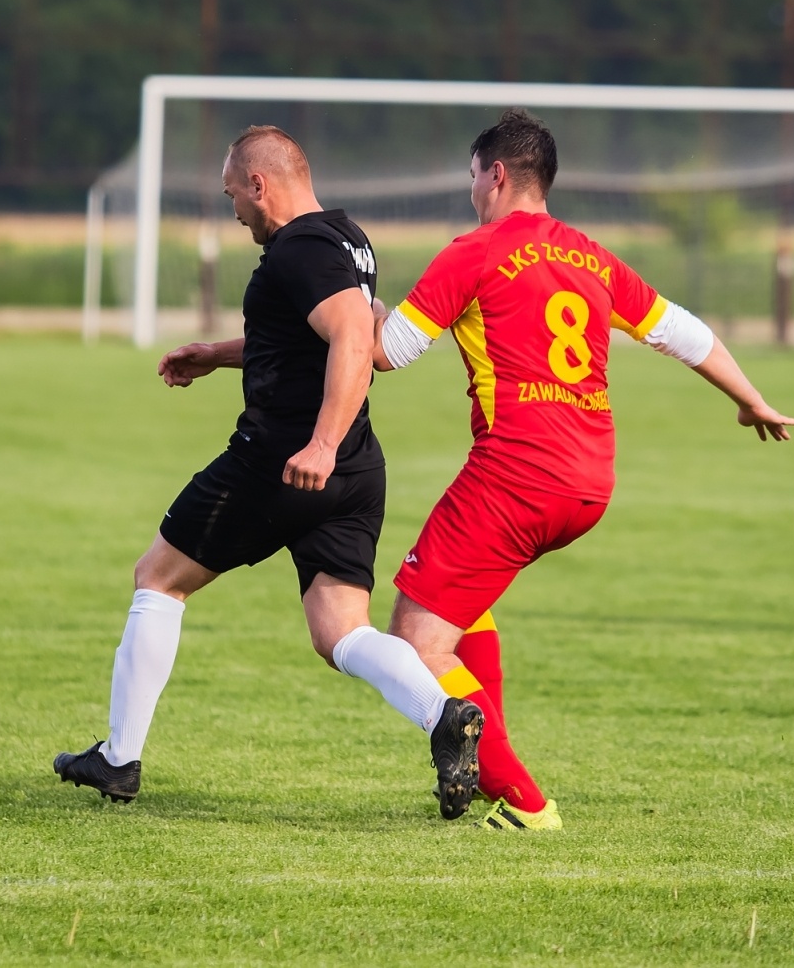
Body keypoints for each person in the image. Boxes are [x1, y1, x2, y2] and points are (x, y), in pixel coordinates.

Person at [373, 109, 794, 829]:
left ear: (498, 175)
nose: (473, 190)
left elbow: (389, 353)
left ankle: (524, 801)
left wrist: (367, 310)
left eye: (474, 176)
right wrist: (751, 399)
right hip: (589, 481)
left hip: (513, 475)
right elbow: (686, 333)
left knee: (414, 638)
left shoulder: (472, 253)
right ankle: (481, 778)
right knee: (467, 600)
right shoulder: (591, 256)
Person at [55, 126, 485, 818]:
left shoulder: (300, 246)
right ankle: (443, 716)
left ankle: (118, 756)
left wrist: (317, 441)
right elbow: (319, 328)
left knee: (157, 577)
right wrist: (219, 354)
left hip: (281, 462)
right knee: (340, 629)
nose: (234, 212)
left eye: (234, 195)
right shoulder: (347, 237)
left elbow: (351, 334)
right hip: (354, 471)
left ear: (261, 184)